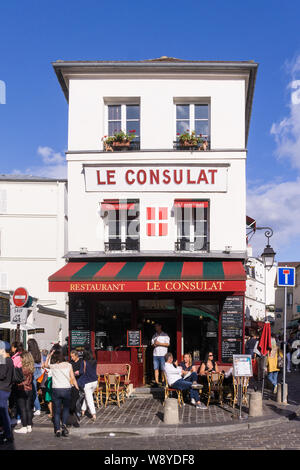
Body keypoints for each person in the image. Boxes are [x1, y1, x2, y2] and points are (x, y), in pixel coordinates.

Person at [45, 348, 78, 437]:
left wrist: (48, 356)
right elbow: (73, 378)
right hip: (66, 389)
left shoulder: (53, 366)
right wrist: (77, 387)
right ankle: (63, 425)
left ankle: (57, 429)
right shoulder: (68, 365)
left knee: (56, 411)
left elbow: (44, 365)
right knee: (66, 409)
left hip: (56, 389)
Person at [14, 351, 34, 434]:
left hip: (22, 389)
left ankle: (24, 426)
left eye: (21, 357)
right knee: (28, 408)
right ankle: (29, 425)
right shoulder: (31, 367)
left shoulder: (21, 368)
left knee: (23, 409)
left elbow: (18, 379)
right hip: (29, 389)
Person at [77, 348, 98, 422]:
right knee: (87, 396)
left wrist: (77, 372)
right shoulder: (95, 361)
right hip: (95, 381)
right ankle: (83, 410)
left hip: (87, 382)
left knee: (89, 399)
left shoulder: (84, 362)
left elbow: (82, 372)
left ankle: (93, 414)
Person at [0, 341, 14, 444]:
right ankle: (4, 431)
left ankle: (8, 434)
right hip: (6, 388)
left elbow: (2, 375)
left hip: (3, 389)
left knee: (4, 412)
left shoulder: (5, 360)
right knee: (3, 412)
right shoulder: (8, 360)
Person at [27, 338, 42, 416]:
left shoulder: (29, 353)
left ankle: (38, 408)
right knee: (35, 391)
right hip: (39, 372)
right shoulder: (38, 352)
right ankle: (35, 406)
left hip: (32, 372)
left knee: (33, 391)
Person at [69, 350, 83, 426]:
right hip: (72, 382)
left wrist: (78, 372)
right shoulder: (70, 363)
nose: (71, 358)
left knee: (79, 397)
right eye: (71, 356)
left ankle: (78, 411)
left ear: (76, 356)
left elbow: (83, 371)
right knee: (73, 398)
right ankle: (76, 411)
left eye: (73, 356)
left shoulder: (81, 362)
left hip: (79, 381)